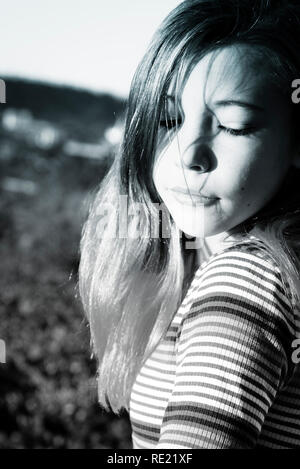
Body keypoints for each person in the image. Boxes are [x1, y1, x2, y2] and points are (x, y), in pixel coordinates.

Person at [79, 0, 300, 449]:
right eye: (168, 119)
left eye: (233, 126)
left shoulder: (248, 279)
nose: (189, 155)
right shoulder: (227, 259)